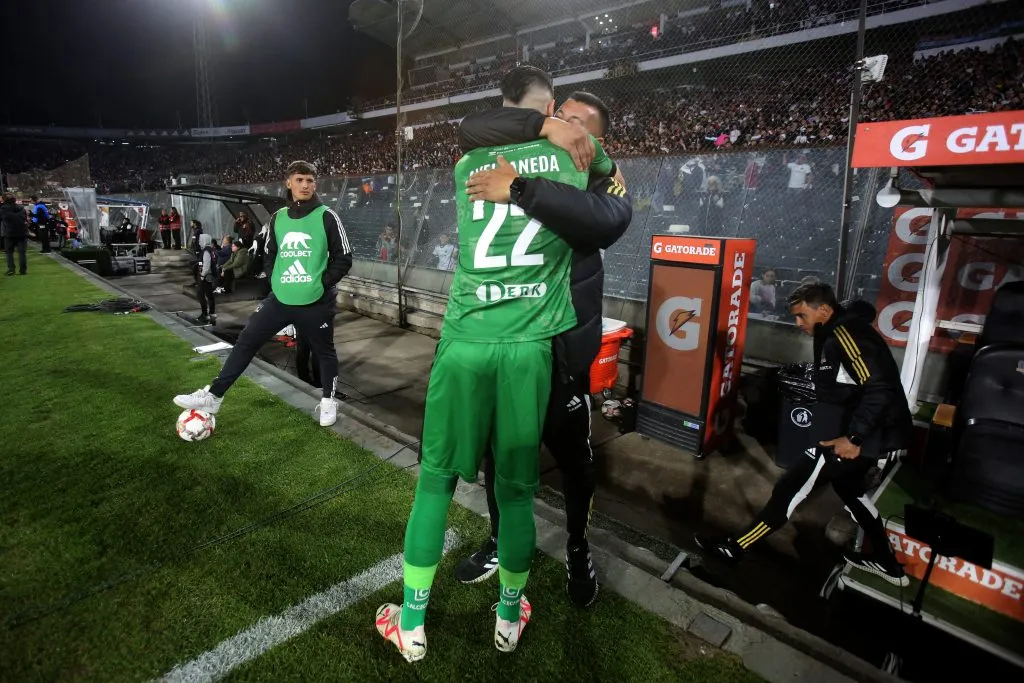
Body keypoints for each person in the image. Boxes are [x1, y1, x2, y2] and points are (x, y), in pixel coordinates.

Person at [374, 66, 617, 663]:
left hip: (464, 340)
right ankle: (508, 619)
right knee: (514, 491)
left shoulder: (466, 168)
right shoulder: (575, 163)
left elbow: (473, 127)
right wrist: (568, 136)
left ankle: (411, 622)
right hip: (530, 347)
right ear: (553, 107)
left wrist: (539, 127)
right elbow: (607, 177)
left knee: (436, 480)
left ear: (503, 104)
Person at [452, 91, 632, 608]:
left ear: (595, 140)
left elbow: (605, 221)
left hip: (558, 351)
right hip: (506, 341)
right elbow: (470, 125)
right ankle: (498, 538)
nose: (563, 129)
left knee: (575, 461)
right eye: (560, 118)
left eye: (577, 125)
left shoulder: (604, 174)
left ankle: (578, 547)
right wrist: (539, 123)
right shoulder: (531, 144)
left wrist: (522, 189)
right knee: (498, 452)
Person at [695, 283, 914, 587]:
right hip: (852, 433)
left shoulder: (844, 334)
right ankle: (888, 563)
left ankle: (734, 548)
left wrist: (854, 439)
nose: (798, 324)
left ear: (823, 310)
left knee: (790, 489)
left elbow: (880, 388)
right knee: (851, 494)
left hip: (848, 438)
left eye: (802, 316)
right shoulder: (833, 329)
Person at [173, 160, 352, 427]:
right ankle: (214, 396)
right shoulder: (278, 218)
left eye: (310, 180)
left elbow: (344, 257)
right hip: (280, 300)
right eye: (300, 180)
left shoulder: (327, 216)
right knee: (246, 341)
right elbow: (268, 254)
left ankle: (328, 401)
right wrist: (275, 280)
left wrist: (321, 283)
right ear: (288, 183)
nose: (306, 185)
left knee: (324, 351)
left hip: (315, 301)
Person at [2, 194, 29, 275]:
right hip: (22, 232)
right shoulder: (21, 208)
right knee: (22, 253)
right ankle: (23, 270)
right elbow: (25, 218)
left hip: (9, 233)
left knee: (9, 252)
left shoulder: (3, 209)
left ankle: (11, 269)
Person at [196, 234, 218, 325]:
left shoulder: (206, 251)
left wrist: (202, 275)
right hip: (209, 275)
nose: (199, 242)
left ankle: (205, 314)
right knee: (209, 294)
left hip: (206, 276)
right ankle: (212, 313)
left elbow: (206, 265)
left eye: (201, 240)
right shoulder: (210, 250)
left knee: (201, 294)